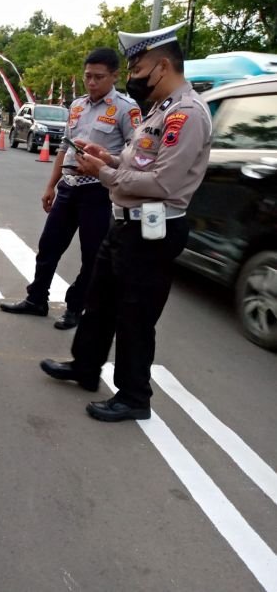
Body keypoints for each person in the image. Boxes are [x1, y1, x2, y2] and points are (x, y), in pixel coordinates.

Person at [40, 23, 212, 422]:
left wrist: (102, 173)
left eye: (137, 70)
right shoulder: (162, 110)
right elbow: (141, 164)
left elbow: (162, 182)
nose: (133, 78)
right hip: (127, 224)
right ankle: (85, 367)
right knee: (99, 303)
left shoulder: (186, 114)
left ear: (162, 66)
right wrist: (109, 157)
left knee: (135, 314)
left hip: (153, 229)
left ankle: (134, 396)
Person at [0, 48, 139, 329]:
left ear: (115, 75)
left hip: (98, 191)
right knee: (48, 246)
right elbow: (64, 148)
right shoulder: (76, 106)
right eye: (88, 76)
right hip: (69, 186)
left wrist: (107, 166)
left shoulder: (127, 109)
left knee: (91, 254)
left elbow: (134, 153)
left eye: (99, 77)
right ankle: (36, 299)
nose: (92, 82)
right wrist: (51, 185)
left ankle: (76, 307)